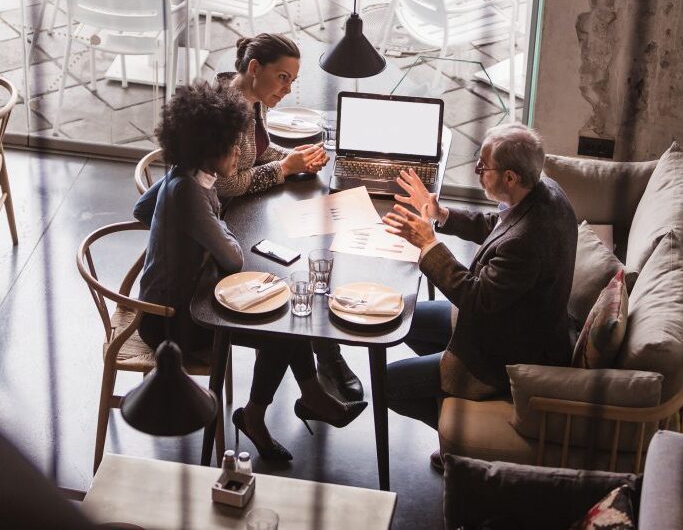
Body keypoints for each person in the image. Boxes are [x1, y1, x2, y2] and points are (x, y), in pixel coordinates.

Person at [134, 82, 366, 461]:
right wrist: (211, 224)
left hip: (176, 295)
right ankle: (272, 412)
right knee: (280, 326)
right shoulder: (192, 193)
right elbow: (233, 259)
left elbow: (142, 209)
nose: (241, 155)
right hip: (171, 322)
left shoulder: (182, 173)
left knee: (283, 317)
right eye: (234, 147)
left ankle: (298, 400)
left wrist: (178, 240)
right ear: (212, 149)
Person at [382, 123, 577, 467]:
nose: (476, 171)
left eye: (483, 166)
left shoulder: (527, 242)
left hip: (508, 349)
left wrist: (428, 244)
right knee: (404, 318)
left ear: (511, 177)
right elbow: (497, 226)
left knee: (388, 385)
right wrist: (441, 215)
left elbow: (475, 299)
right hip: (510, 318)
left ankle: (461, 449)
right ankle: (444, 375)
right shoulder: (544, 191)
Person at [215, 33, 364, 402]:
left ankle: (322, 363)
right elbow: (228, 185)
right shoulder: (226, 114)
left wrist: (297, 158)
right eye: (283, 77)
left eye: (293, 81)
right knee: (296, 276)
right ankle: (326, 355)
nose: (288, 89)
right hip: (224, 225)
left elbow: (257, 152)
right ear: (254, 69)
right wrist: (285, 168)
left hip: (243, 212)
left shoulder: (252, 100)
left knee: (307, 258)